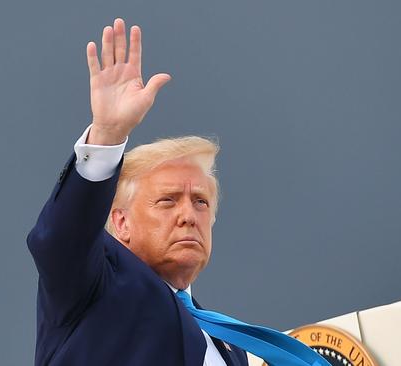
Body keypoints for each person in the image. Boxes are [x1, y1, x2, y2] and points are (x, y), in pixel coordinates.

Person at [27, 17, 329, 366]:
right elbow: (59, 241)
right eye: (167, 201)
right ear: (121, 222)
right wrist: (107, 135)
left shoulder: (231, 346)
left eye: (200, 202)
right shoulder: (92, 286)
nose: (188, 216)